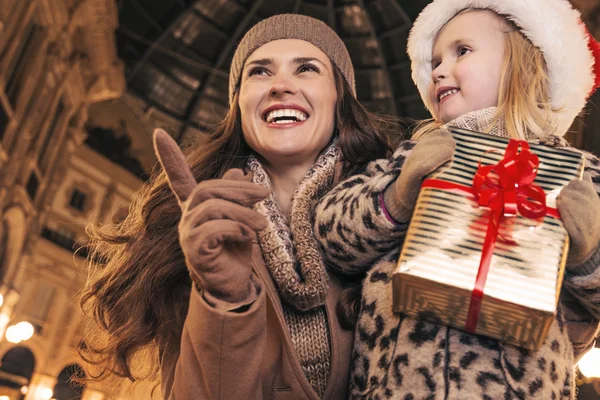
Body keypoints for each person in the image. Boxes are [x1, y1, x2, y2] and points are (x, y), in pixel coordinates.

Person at [78, 14, 394, 400]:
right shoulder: (191, 238)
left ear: (339, 97)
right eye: (259, 72)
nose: (280, 85)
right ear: (239, 105)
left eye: (307, 69)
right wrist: (223, 299)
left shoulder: (391, 211)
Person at [314, 0, 600, 398]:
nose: (439, 70)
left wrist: (591, 256)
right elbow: (331, 233)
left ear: (522, 64)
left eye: (461, 51)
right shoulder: (416, 154)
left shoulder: (579, 172)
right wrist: (396, 197)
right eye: (434, 62)